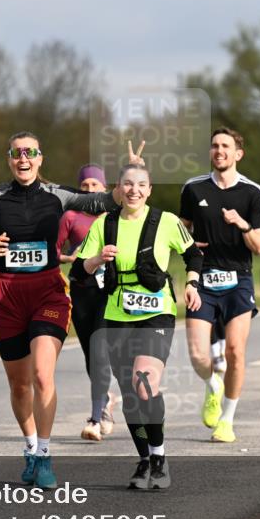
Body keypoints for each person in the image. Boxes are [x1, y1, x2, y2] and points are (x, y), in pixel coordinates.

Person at [0, 132, 120, 489]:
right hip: (7, 297)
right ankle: (31, 448)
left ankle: (45, 456)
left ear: (40, 158)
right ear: (9, 159)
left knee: (43, 376)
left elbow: (97, 202)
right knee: (20, 386)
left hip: (48, 293)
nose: (23, 159)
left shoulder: (57, 195)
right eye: (17, 153)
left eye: (30, 153)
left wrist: (124, 191)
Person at [75, 163, 203, 489]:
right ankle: (144, 457)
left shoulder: (166, 222)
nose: (134, 190)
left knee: (144, 383)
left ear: (149, 190)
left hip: (156, 312)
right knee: (132, 395)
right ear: (118, 188)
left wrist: (192, 283)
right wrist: (97, 260)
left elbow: (194, 255)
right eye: (127, 184)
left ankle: (159, 456)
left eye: (141, 185)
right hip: (117, 316)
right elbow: (77, 272)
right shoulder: (105, 224)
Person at [180, 127, 260, 444]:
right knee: (198, 355)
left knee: (235, 351)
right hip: (202, 279)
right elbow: (181, 230)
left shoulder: (251, 193)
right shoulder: (193, 188)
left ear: (237, 154)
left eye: (226, 146)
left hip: (238, 280)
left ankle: (227, 421)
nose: (219, 151)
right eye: (215, 146)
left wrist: (241, 223)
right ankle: (213, 384)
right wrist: (187, 246)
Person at [57, 163, 120, 442]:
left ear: (104, 188)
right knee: (90, 355)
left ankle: (95, 418)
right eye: (85, 186)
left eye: (95, 185)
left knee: (100, 352)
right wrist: (71, 259)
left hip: (109, 291)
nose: (90, 190)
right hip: (82, 290)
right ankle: (106, 400)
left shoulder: (116, 216)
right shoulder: (70, 216)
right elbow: (52, 251)